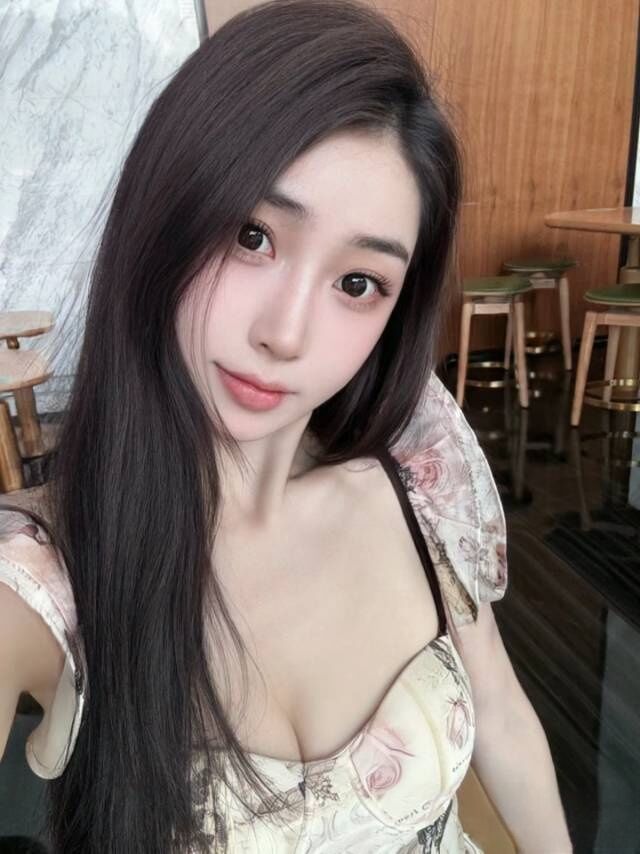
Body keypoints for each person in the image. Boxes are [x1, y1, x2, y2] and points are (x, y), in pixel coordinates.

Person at [0, 0, 573, 851]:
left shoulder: (417, 463)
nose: (286, 334)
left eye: (357, 284)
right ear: (165, 210)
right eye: (252, 236)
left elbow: (499, 708)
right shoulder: (46, 576)